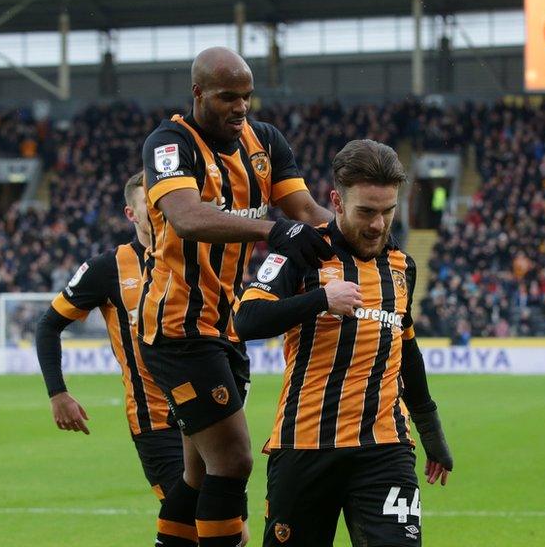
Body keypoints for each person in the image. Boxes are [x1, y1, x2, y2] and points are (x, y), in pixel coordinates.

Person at [139, 46, 334, 547]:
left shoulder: (264, 141)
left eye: (247, 97)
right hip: (179, 329)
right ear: (199, 93)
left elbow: (307, 211)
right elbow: (187, 217)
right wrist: (274, 231)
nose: (241, 107)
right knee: (234, 459)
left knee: (200, 473)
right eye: (228, 97)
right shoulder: (169, 143)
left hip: (224, 331)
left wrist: (368, 239)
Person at [234, 139, 454, 546]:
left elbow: (406, 352)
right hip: (305, 445)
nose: (377, 225)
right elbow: (245, 321)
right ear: (336, 201)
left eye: (387, 212)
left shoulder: (402, 266)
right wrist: (321, 299)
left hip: (385, 447)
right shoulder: (302, 251)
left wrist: (432, 433)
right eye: (366, 212)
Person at [35, 171, 183, 521]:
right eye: (150, 203)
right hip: (155, 420)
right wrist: (58, 393)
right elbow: (48, 325)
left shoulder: (197, 254)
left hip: (209, 415)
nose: (159, 209)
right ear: (131, 214)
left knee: (230, 528)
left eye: (164, 200)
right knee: (191, 518)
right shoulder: (107, 268)